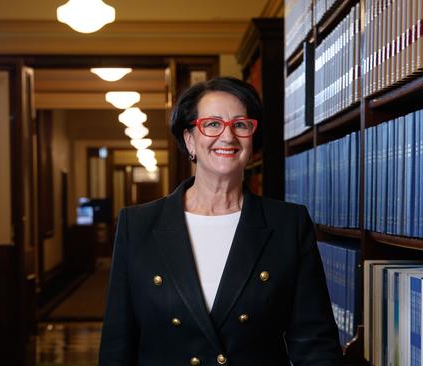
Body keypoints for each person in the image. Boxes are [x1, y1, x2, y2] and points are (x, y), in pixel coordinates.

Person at [99, 77, 343, 365]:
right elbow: (117, 346)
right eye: (212, 124)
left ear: (252, 139)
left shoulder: (289, 224)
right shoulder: (137, 225)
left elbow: (314, 345)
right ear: (189, 139)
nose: (228, 137)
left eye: (240, 125)